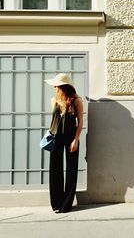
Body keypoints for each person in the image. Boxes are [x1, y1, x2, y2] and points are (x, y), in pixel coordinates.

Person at [44, 73, 84, 213]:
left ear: (64, 87)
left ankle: (66, 204)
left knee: (71, 170)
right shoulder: (53, 100)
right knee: (55, 169)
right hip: (56, 138)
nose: (54, 87)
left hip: (71, 138)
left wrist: (76, 140)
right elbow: (55, 122)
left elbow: (80, 123)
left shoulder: (77, 101)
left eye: (57, 85)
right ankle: (56, 203)